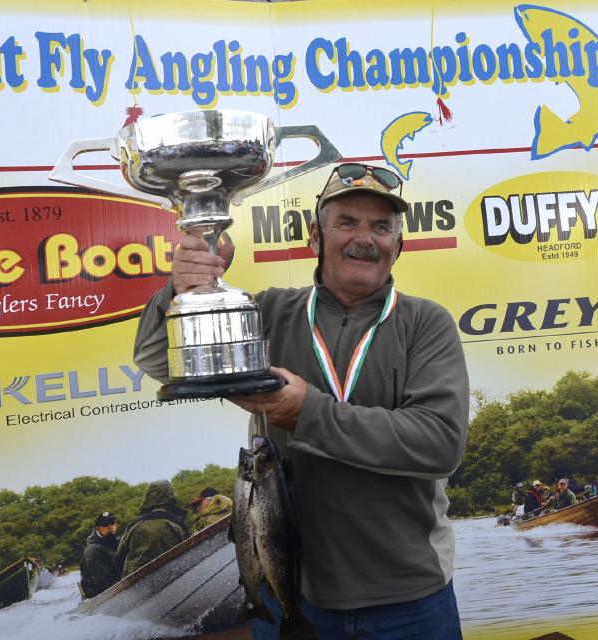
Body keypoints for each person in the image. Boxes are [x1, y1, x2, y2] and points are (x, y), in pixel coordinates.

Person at [135, 163, 469, 638]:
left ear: (399, 246)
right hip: (290, 592)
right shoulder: (266, 312)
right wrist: (183, 291)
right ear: (316, 237)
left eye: (381, 226)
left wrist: (306, 412)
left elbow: (439, 444)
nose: (364, 238)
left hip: (409, 598)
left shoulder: (426, 324)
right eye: (347, 222)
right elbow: (156, 358)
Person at [117, 480, 189, 578]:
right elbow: (188, 554)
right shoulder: (179, 524)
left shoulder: (134, 524)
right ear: (171, 498)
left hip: (136, 583)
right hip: (171, 579)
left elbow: (120, 555)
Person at [79, 511, 121, 599]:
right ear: (97, 528)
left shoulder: (118, 543)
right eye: (105, 524)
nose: (110, 526)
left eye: (112, 523)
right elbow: (101, 582)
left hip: (119, 590)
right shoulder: (91, 550)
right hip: (101, 597)